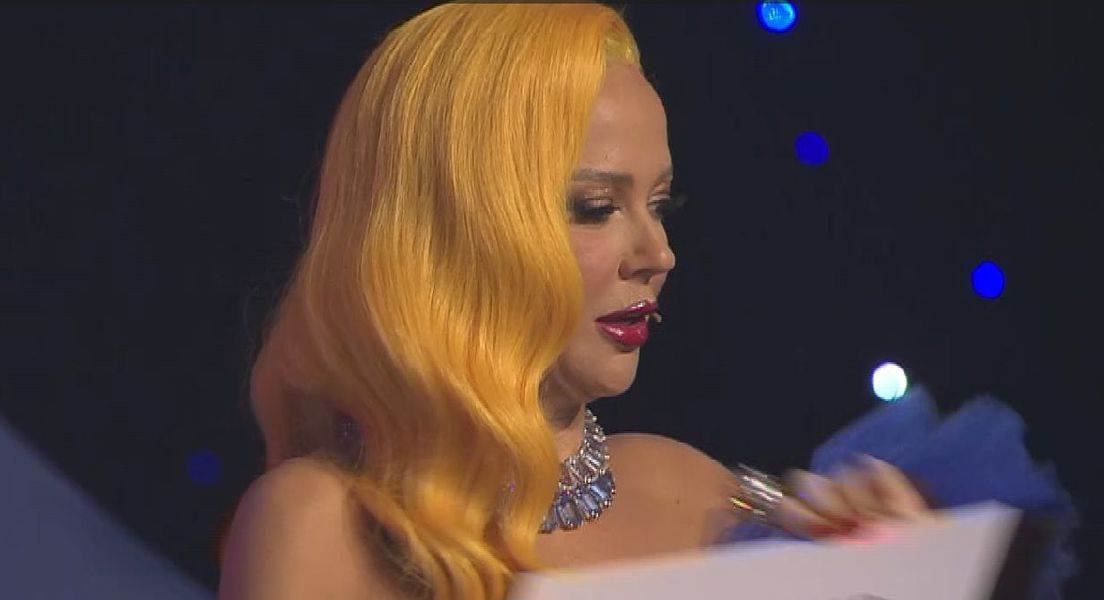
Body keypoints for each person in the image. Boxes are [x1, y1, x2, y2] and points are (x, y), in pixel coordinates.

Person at [216, 4, 947, 599]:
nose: (658, 254)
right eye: (596, 207)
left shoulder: (692, 490)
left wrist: (905, 574)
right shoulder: (320, 525)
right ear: (453, 231)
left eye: (660, 205)